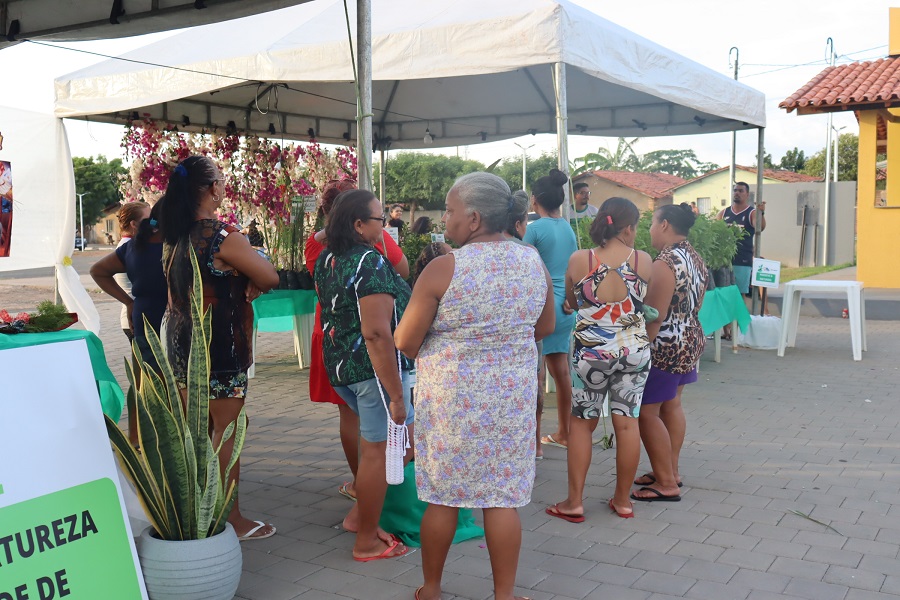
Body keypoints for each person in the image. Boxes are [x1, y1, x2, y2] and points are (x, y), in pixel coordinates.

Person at [395, 172, 554, 600]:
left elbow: (405, 341)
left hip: (452, 402)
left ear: (474, 218)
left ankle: (431, 589)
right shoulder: (532, 261)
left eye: (450, 210)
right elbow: (545, 326)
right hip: (510, 401)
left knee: (443, 497)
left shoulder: (444, 268)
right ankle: (504, 595)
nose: (444, 218)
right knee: (501, 499)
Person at [158, 155, 280, 540]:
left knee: (197, 429)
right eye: (222, 181)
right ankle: (231, 518)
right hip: (219, 345)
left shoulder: (174, 236)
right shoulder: (223, 236)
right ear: (212, 189)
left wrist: (245, 273)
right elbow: (270, 276)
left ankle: (196, 512)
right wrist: (251, 273)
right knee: (228, 431)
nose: (224, 187)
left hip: (179, 343)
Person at [314, 189, 415, 562]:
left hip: (344, 367)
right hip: (373, 371)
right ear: (358, 224)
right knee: (379, 451)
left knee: (399, 445)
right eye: (379, 220)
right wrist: (396, 395)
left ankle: (360, 517)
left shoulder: (328, 257)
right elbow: (376, 333)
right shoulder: (367, 262)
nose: (384, 225)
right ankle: (366, 541)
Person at [547, 197, 652, 522]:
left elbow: (573, 300)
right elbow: (642, 300)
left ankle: (574, 502)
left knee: (582, 423)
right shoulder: (643, 259)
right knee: (628, 422)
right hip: (633, 350)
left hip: (590, 353)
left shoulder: (581, 259)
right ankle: (622, 501)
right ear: (628, 228)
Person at [632, 203, 707, 503]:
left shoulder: (665, 262)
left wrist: (638, 349)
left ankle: (665, 482)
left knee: (646, 413)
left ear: (664, 225)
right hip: (689, 338)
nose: (650, 229)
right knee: (672, 406)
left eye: (652, 223)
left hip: (665, 346)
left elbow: (655, 316)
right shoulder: (694, 257)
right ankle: (670, 471)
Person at [524, 168, 578, 449]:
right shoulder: (567, 227)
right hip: (567, 305)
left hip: (543, 306)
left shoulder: (533, 230)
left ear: (534, 199)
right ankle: (565, 432)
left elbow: (521, 264)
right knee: (562, 370)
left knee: (537, 374)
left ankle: (535, 443)